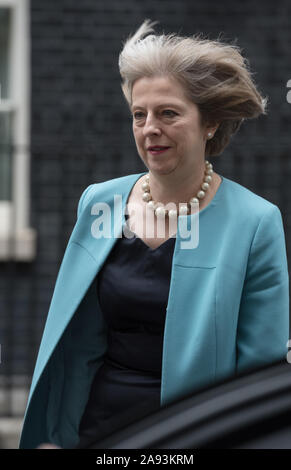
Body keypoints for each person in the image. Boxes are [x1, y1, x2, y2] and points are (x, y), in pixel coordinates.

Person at [19, 20, 289, 449]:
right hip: (97, 428)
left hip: (196, 432)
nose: (149, 129)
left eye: (168, 113)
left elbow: (263, 373)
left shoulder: (255, 222)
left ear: (210, 124)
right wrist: (56, 435)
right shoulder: (99, 203)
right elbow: (77, 342)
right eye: (139, 115)